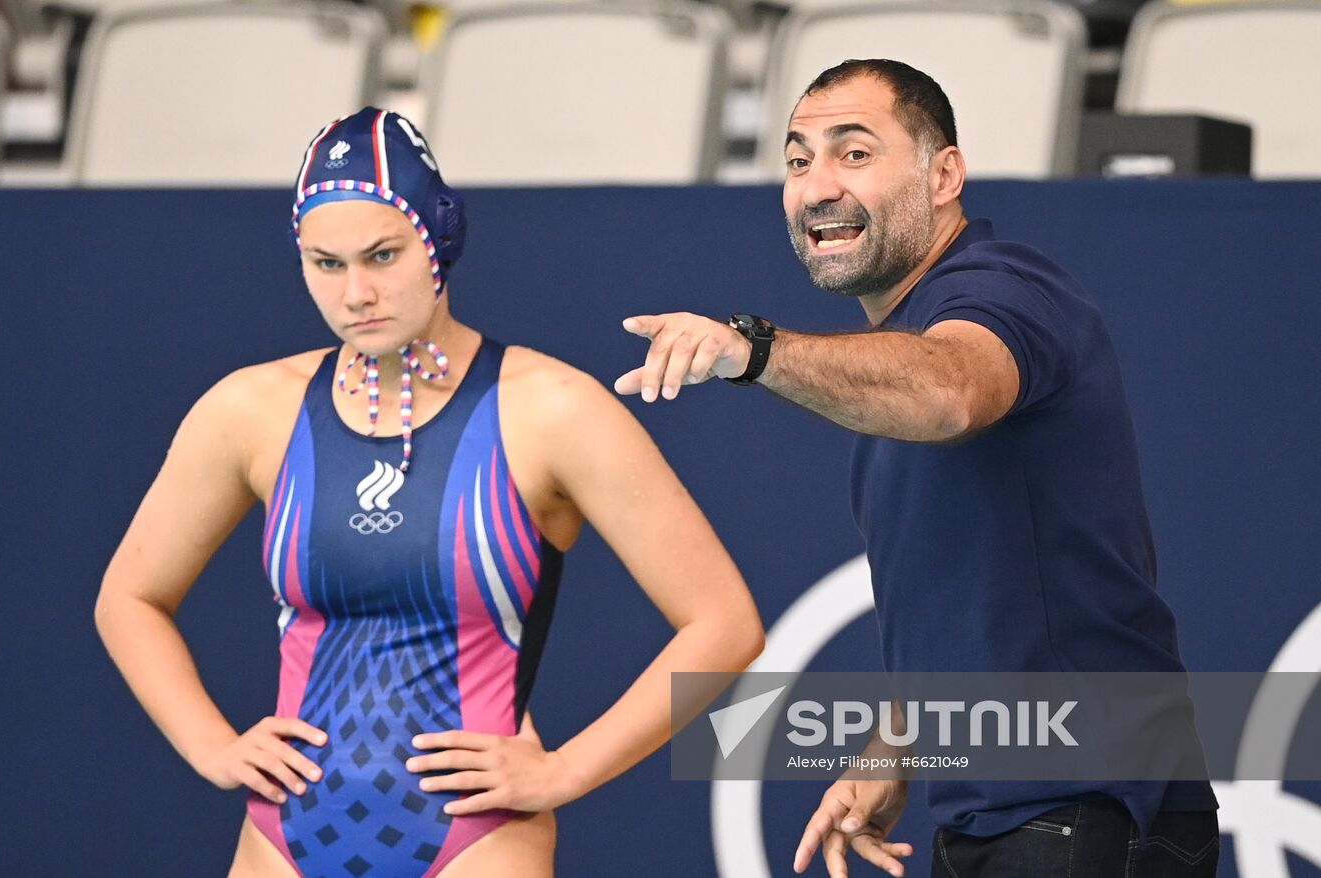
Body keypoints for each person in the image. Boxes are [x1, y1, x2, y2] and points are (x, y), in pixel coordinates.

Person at [94, 107, 764, 878]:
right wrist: (212, 744)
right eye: (326, 263)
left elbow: (725, 622)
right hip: (281, 842)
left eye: (383, 255)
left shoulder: (549, 409)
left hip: (476, 843)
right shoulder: (251, 411)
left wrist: (567, 771)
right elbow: (129, 598)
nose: (357, 293)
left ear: (440, 239)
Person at [615, 60, 1219, 877]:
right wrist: (896, 743)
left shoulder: (1008, 289)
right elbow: (987, 601)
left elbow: (951, 392)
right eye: (797, 161)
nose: (817, 186)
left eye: (854, 154)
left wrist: (748, 347)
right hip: (1011, 813)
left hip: (1089, 805)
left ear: (945, 175)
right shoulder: (893, 361)